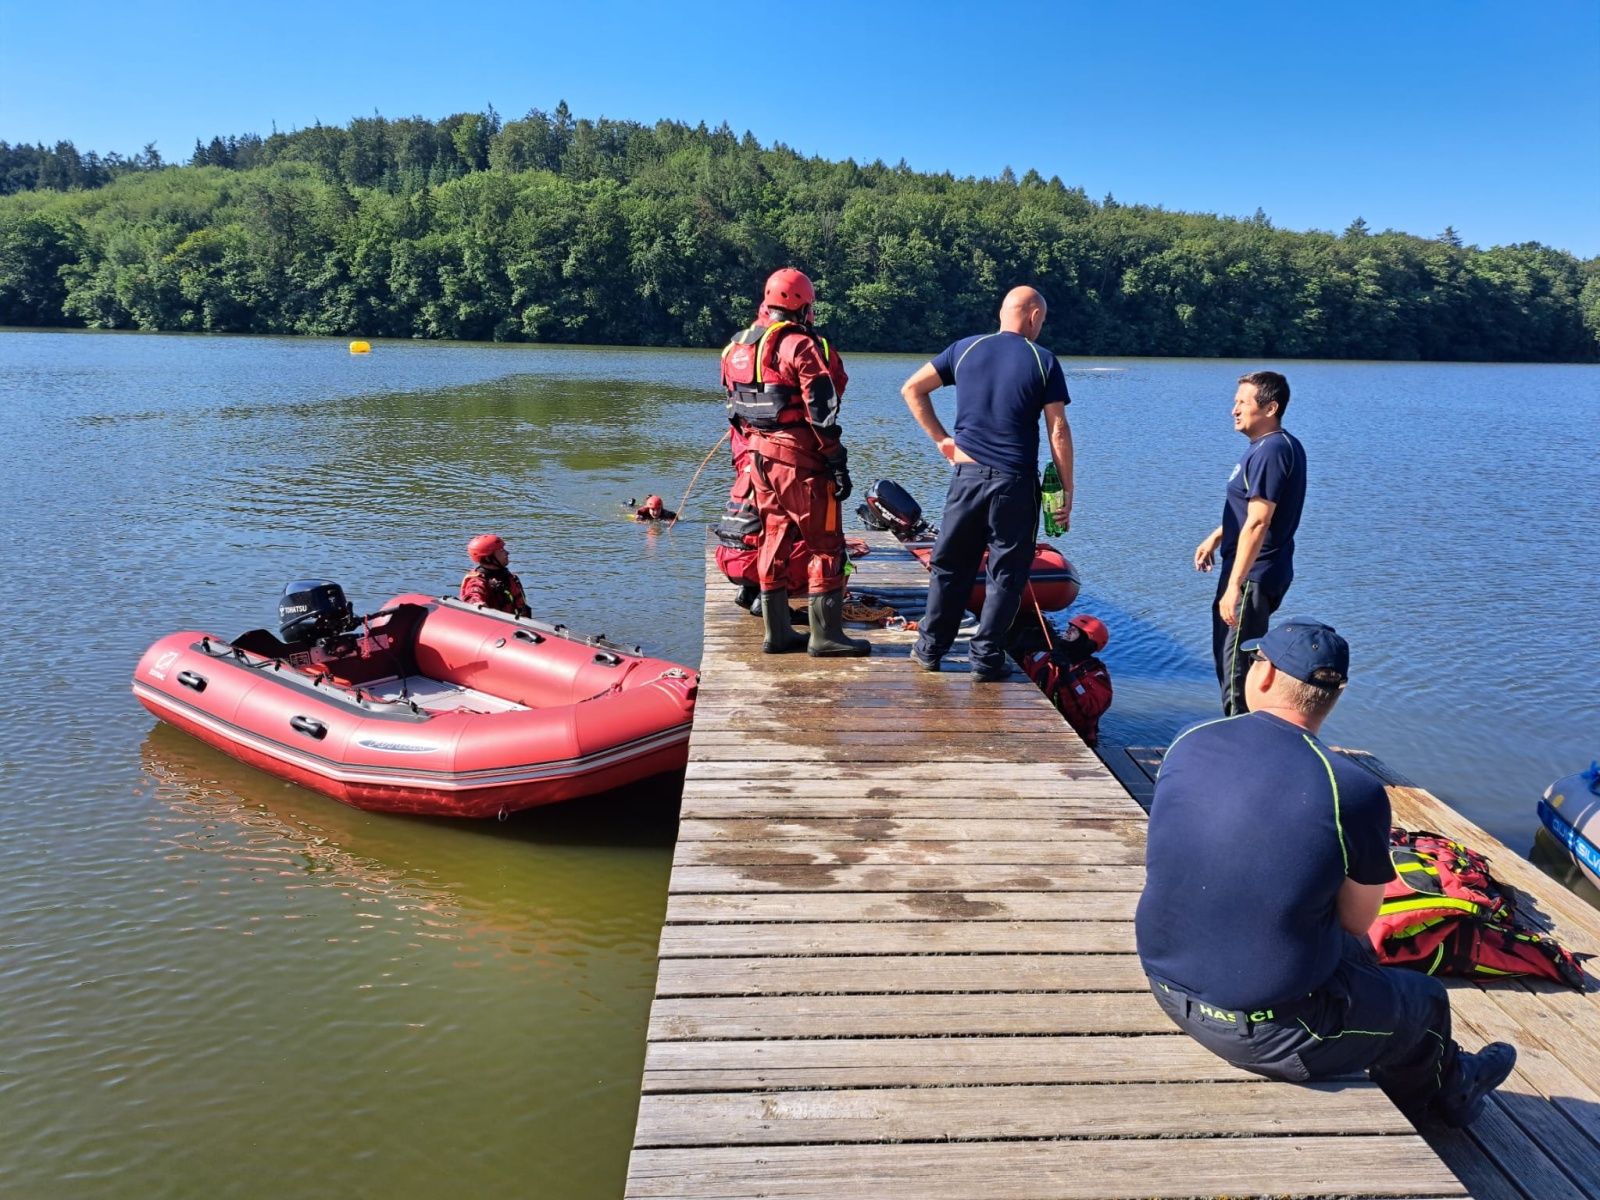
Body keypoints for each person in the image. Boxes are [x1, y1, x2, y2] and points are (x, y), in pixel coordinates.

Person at [1135, 616, 1516, 1128]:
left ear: (1265, 675)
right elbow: (1359, 919)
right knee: (1424, 1002)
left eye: (1253, 660)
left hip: (1164, 985)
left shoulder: (1190, 741)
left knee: (1351, 956)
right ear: (1334, 696)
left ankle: (1413, 1064)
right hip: (1266, 1034)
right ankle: (1450, 1097)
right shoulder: (1352, 790)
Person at [900, 286, 1074, 681]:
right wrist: (1066, 489)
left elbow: (912, 388)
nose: (1040, 328)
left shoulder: (964, 349)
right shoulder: (1042, 359)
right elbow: (1058, 429)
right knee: (1006, 573)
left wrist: (943, 440)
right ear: (1033, 316)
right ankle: (986, 658)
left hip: (968, 478)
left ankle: (929, 648)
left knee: (949, 566)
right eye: (1041, 321)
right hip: (1015, 483)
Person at [719, 268, 867, 657]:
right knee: (826, 545)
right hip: (799, 460)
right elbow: (822, 409)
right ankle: (826, 638)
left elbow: (735, 412)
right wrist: (835, 457)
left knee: (773, 539)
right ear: (801, 305)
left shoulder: (738, 346)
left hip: (759, 458)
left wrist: (755, 448)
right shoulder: (799, 345)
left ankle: (778, 635)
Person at [1194, 371, 1307, 715]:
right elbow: (1252, 510)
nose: (1234, 410)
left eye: (1242, 402)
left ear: (1270, 408)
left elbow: (1259, 522)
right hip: (1257, 572)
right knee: (1233, 663)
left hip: (1253, 576)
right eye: (1235, 402)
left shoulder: (1271, 451)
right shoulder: (1274, 447)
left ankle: (1240, 749)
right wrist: (1219, 533)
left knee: (1236, 671)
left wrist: (1234, 586)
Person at [1019, 614, 1113, 746]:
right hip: (1039, 726)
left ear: (1087, 642)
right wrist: (1019, 650)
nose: (1067, 631)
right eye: (1069, 627)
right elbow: (1019, 680)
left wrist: (1067, 677)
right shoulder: (1046, 658)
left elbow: (1086, 715)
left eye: (1075, 630)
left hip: (1075, 740)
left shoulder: (1097, 676)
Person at [459, 534, 531, 617]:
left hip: (518, 624)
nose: (507, 553)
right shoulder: (477, 581)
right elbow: (473, 595)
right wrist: (476, 603)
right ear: (488, 558)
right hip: (499, 626)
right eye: (501, 550)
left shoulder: (507, 576)